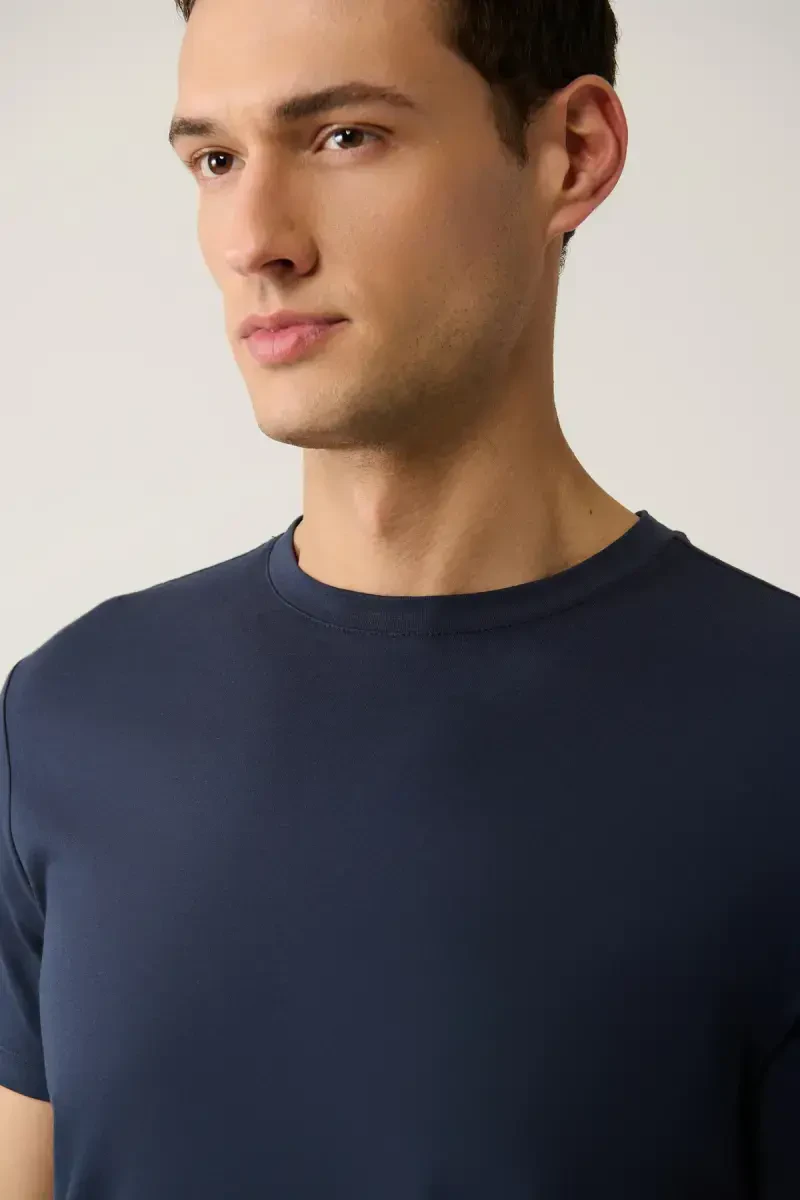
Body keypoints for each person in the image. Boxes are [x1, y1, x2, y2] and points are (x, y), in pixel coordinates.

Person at [2, 0, 799, 1195]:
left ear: (570, 154)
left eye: (344, 137)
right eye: (215, 160)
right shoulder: (70, 714)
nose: (255, 241)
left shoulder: (773, 731)